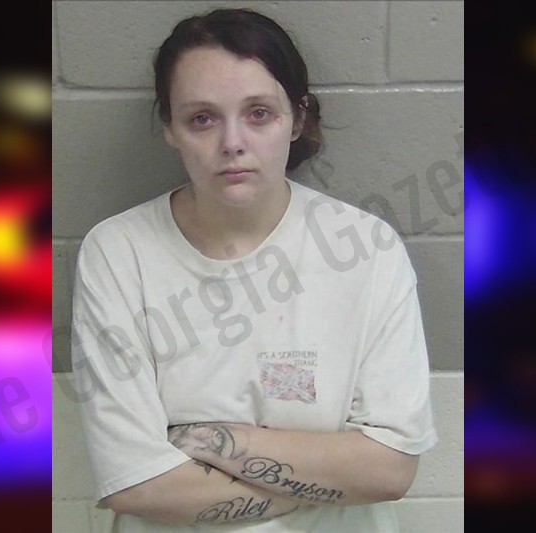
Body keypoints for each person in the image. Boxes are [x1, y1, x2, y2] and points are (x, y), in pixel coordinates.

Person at [72, 8, 437, 531]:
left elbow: (390, 470)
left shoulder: (367, 249)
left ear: (298, 118)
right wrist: (331, 481)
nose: (233, 143)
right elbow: (137, 485)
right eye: (202, 118)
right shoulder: (118, 253)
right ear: (170, 129)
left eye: (259, 113)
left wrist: (208, 441)